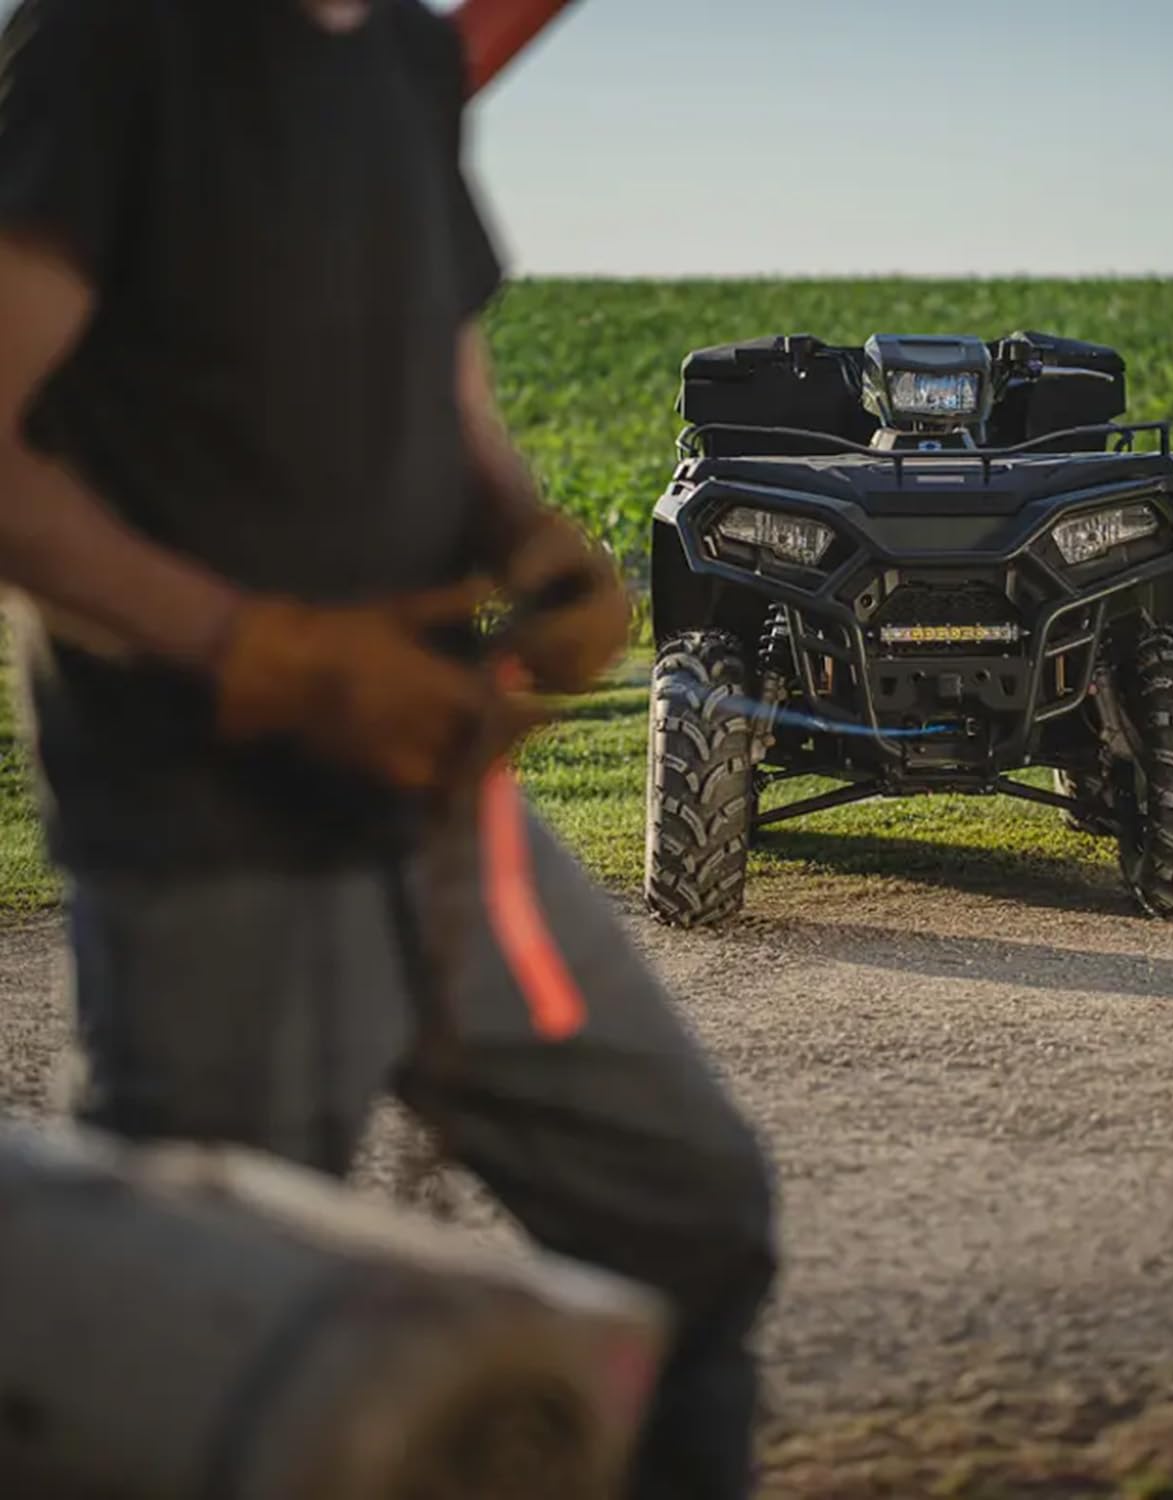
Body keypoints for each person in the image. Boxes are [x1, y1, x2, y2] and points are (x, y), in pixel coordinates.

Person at [0, 1, 776, 1495]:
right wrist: (266, 656)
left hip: (443, 815)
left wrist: (528, 532)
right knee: (206, 1375)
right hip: (213, 848)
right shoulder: (112, 37)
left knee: (691, 1220)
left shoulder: (405, 57)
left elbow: (447, 383)